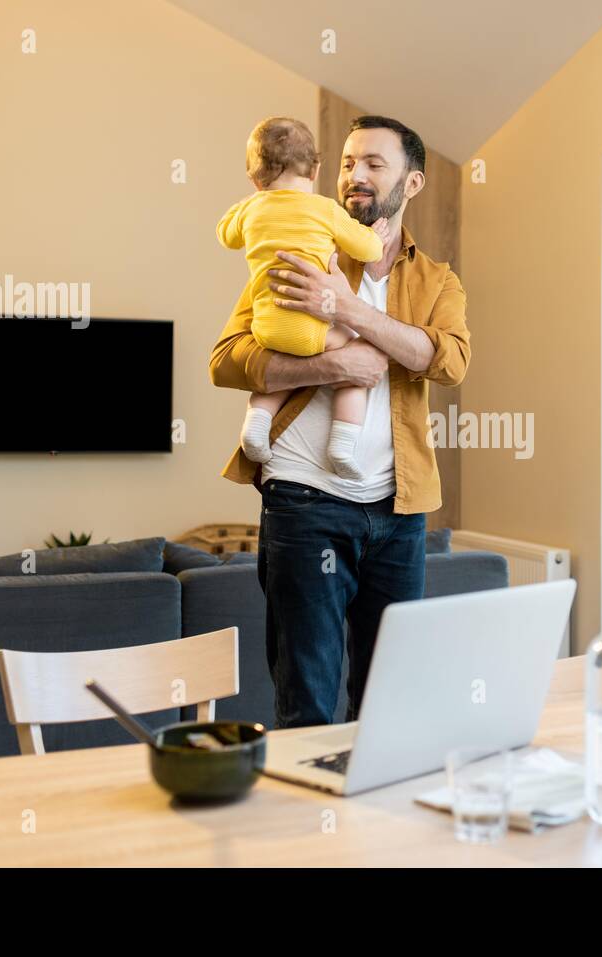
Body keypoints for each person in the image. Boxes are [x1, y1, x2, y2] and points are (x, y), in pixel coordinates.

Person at [209, 115, 471, 728]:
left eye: (375, 165)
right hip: (303, 503)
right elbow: (226, 362)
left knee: (390, 700)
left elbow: (449, 361)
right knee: (307, 700)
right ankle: (312, 824)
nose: (356, 177)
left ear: (412, 183)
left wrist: (350, 310)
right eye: (349, 163)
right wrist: (331, 367)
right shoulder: (301, 252)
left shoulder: (436, 280)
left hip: (399, 514)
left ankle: (372, 825)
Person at [216, 116, 392, 479]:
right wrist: (376, 235)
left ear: (254, 178)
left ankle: (255, 425)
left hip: (265, 328)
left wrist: (249, 202)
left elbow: (226, 236)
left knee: (279, 365)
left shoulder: (252, 208)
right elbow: (368, 250)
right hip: (311, 331)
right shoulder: (326, 209)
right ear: (315, 169)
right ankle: (342, 443)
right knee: (354, 352)